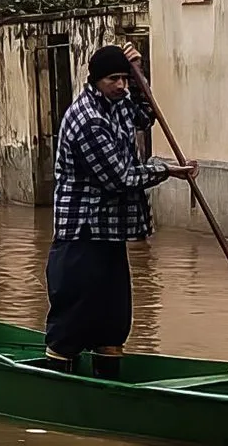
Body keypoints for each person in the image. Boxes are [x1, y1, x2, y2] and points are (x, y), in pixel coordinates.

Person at [44, 42, 197, 379]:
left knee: (114, 323)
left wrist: (141, 74)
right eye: (114, 79)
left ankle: (108, 385)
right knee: (72, 322)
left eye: (124, 79)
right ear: (96, 80)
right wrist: (167, 171)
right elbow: (119, 178)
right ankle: (57, 386)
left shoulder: (121, 102)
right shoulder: (87, 120)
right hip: (81, 235)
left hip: (111, 233)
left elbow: (147, 114)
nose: (121, 86)